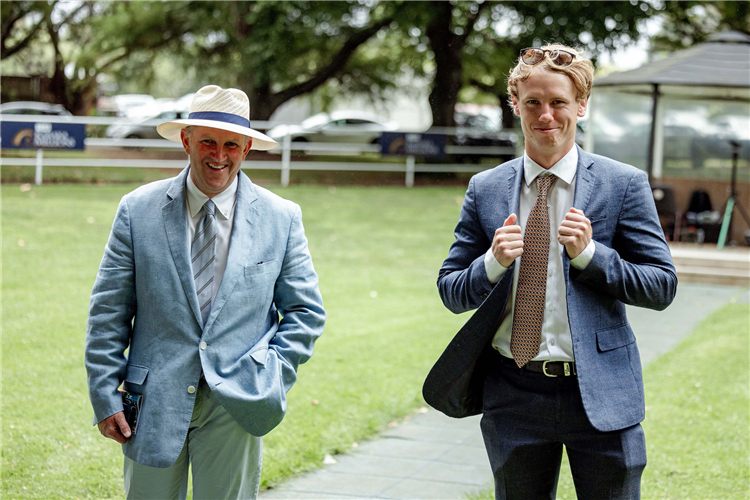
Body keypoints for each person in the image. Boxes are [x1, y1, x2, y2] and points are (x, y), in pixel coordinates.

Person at [425, 45, 677, 499]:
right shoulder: (486, 189)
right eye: (533, 103)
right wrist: (493, 262)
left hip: (600, 392)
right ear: (515, 106)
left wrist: (591, 256)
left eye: (559, 102)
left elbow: (661, 286)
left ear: (581, 106)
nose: (546, 115)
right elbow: (451, 290)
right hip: (514, 392)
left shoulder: (624, 184)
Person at [85, 85, 326, 499]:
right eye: (208, 142)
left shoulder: (281, 218)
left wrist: (270, 374)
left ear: (247, 147)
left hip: (238, 402)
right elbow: (108, 311)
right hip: (151, 404)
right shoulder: (136, 210)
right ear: (186, 140)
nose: (219, 155)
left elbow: (306, 312)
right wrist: (105, 393)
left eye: (231, 144)